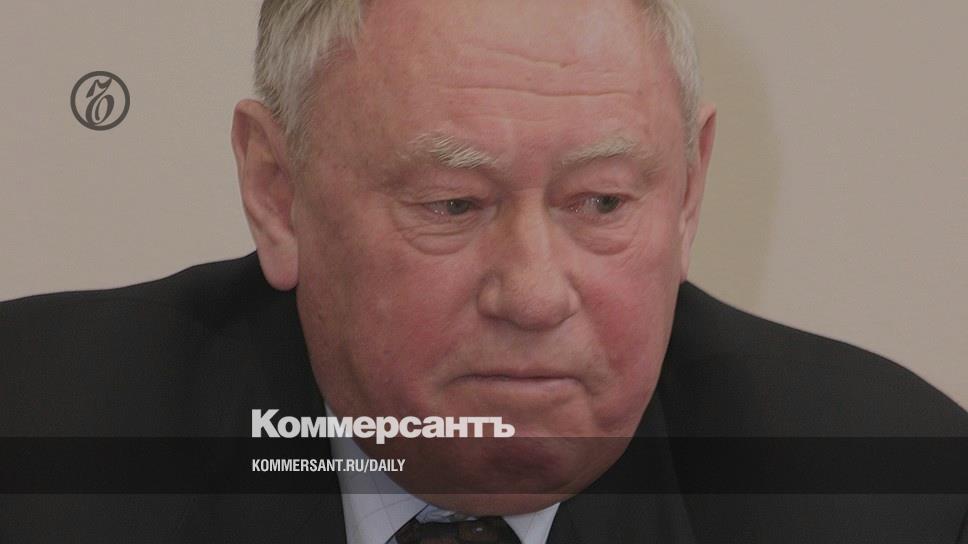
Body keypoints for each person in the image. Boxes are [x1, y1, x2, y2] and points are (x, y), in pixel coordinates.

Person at [1, 0, 965, 542]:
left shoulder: (892, 498)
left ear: (687, 192)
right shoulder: (34, 451)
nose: (535, 295)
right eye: (452, 205)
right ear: (277, 191)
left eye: (602, 203)